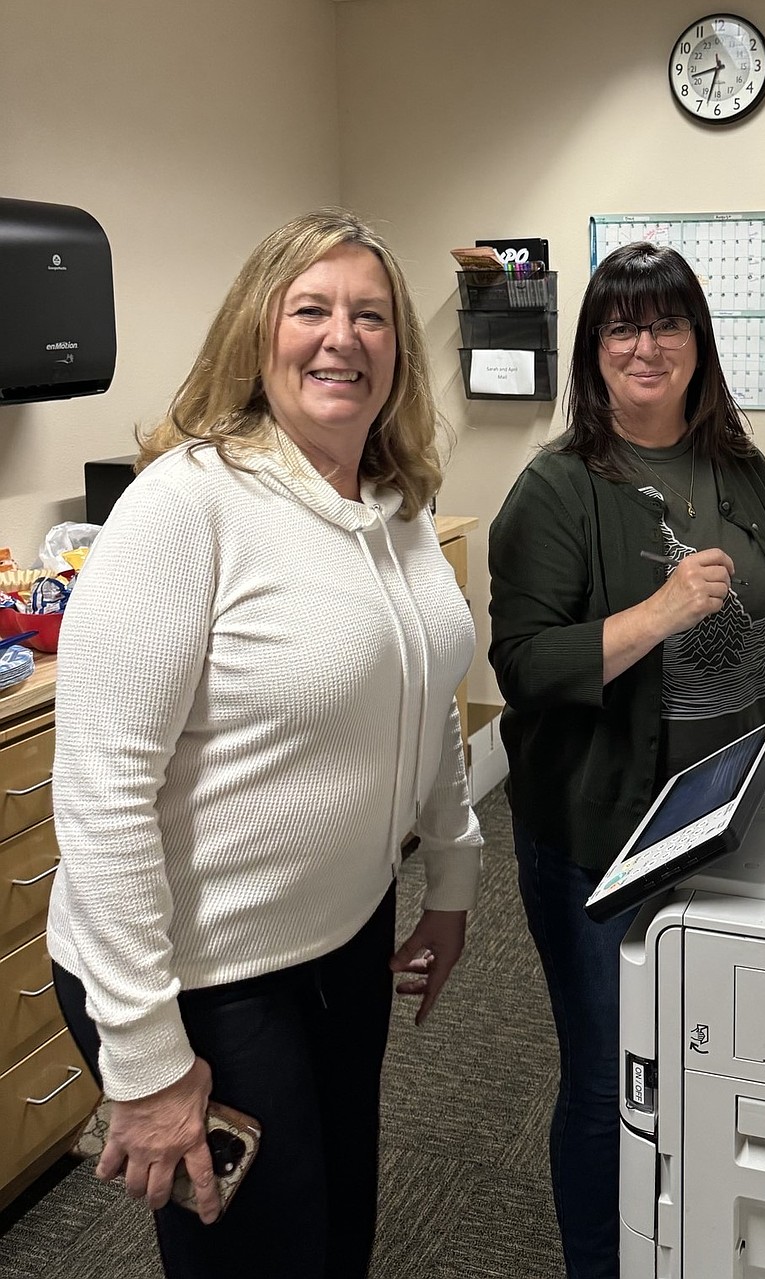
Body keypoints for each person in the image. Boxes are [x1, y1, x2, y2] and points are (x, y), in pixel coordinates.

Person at [47, 208, 482, 1279]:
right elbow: (103, 793)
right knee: (258, 1261)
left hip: (344, 937)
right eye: (312, 310)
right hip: (203, 971)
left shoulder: (397, 501)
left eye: (372, 315)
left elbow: (426, 691)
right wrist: (145, 1061)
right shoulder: (185, 505)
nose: (344, 337)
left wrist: (454, 871)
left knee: (338, 1232)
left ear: (400, 351)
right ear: (258, 334)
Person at [487, 240, 765, 1279]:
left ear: (698, 341)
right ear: (594, 349)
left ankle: (681, 1242)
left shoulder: (736, 463)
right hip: (604, 833)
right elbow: (525, 665)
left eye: (666, 322)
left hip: (721, 818)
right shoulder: (553, 489)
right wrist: (656, 610)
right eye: (621, 325)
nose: (646, 345)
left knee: (694, 1062)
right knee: (604, 1079)